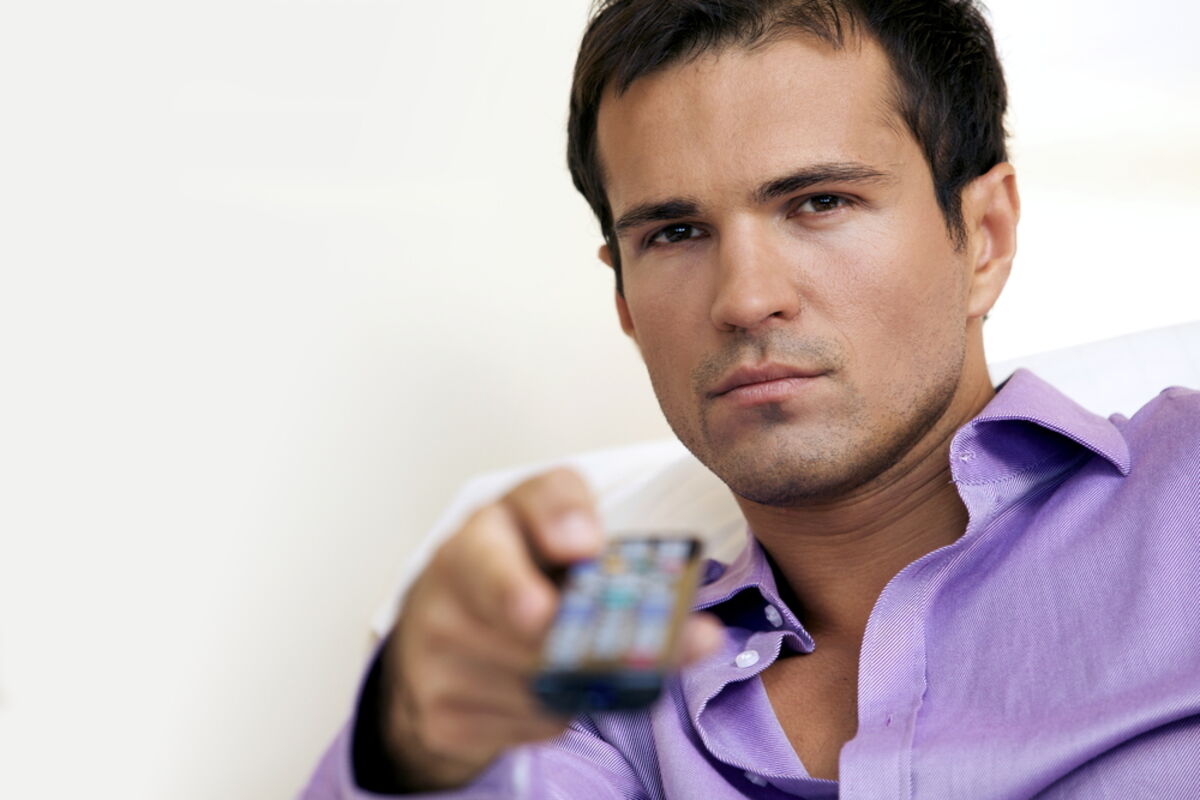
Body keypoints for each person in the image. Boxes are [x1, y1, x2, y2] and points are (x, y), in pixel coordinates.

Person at [303, 0, 1200, 796]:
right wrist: (411, 740)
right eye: (675, 233)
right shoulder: (609, 627)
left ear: (986, 238)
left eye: (819, 202)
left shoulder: (1182, 495)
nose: (744, 298)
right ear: (624, 302)